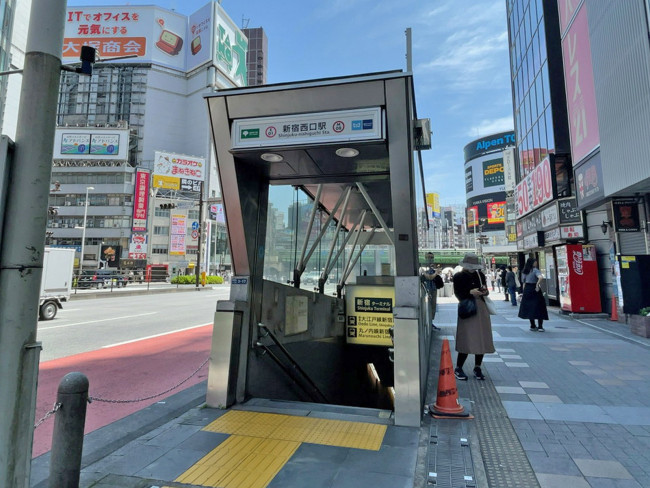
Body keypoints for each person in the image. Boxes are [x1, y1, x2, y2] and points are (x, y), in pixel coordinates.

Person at [452, 253, 495, 381]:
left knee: (482, 337)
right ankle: (459, 367)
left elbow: (485, 291)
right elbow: (458, 293)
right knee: (466, 337)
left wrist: (483, 291)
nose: (472, 268)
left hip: (481, 308)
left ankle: (477, 367)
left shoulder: (479, 274)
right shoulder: (458, 276)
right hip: (467, 308)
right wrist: (469, 292)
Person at [518, 257, 549, 331]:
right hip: (535, 289)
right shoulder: (535, 270)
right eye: (535, 262)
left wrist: (523, 292)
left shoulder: (524, 271)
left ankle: (532, 325)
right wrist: (537, 284)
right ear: (532, 263)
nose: (536, 263)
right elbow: (540, 277)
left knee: (530, 307)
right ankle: (540, 326)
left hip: (527, 290)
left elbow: (524, 282)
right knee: (539, 307)